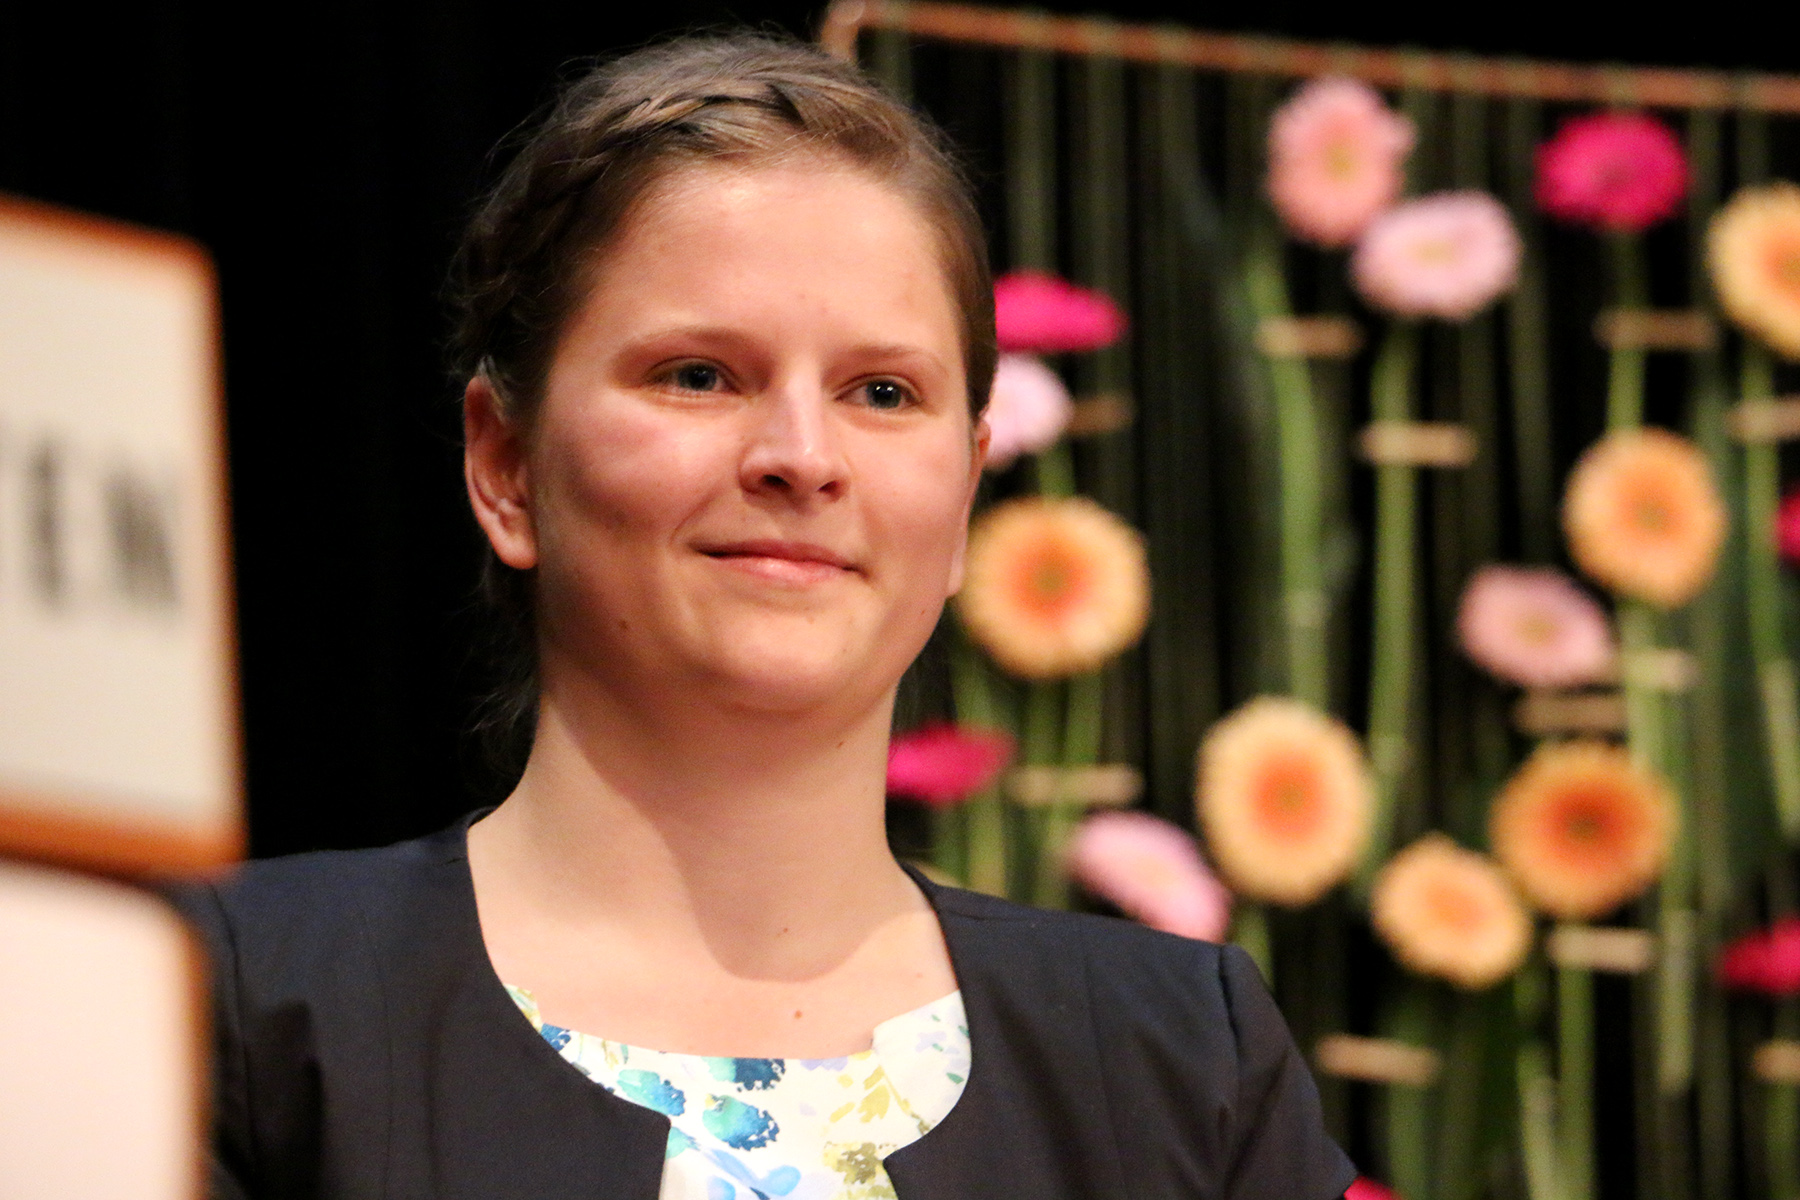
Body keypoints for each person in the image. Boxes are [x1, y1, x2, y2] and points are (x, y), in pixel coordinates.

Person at [177, 33, 1356, 1200]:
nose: (802, 457)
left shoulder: (1186, 1060)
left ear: (962, 498)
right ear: (505, 465)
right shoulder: (229, 1000)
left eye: (883, 393)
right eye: (699, 375)